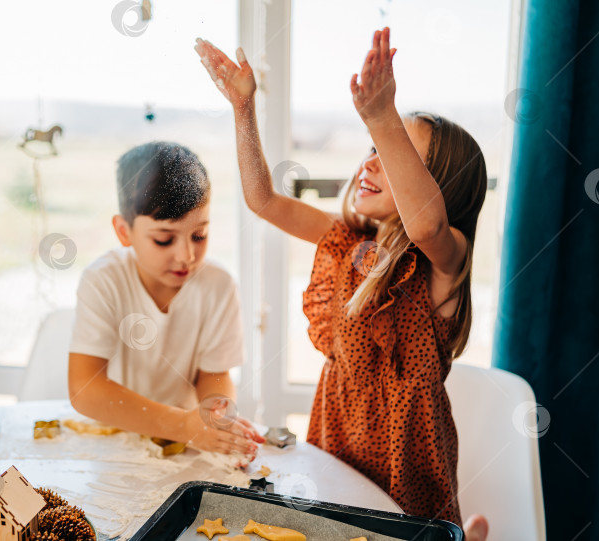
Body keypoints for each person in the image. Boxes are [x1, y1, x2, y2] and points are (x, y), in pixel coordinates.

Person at [195, 27, 489, 539]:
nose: (371, 160)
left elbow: (426, 225)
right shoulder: (344, 240)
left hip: (408, 465)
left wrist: (381, 114)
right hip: (336, 435)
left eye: (395, 152)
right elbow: (263, 200)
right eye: (372, 145)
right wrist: (244, 110)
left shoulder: (445, 259)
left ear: (438, 187)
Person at [68, 141, 264, 458]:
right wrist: (183, 425)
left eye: (199, 236)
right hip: (115, 442)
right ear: (123, 231)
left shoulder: (218, 285)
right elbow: (85, 390)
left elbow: (214, 375)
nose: (187, 255)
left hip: (186, 445)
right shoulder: (103, 280)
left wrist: (214, 418)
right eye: (164, 239)